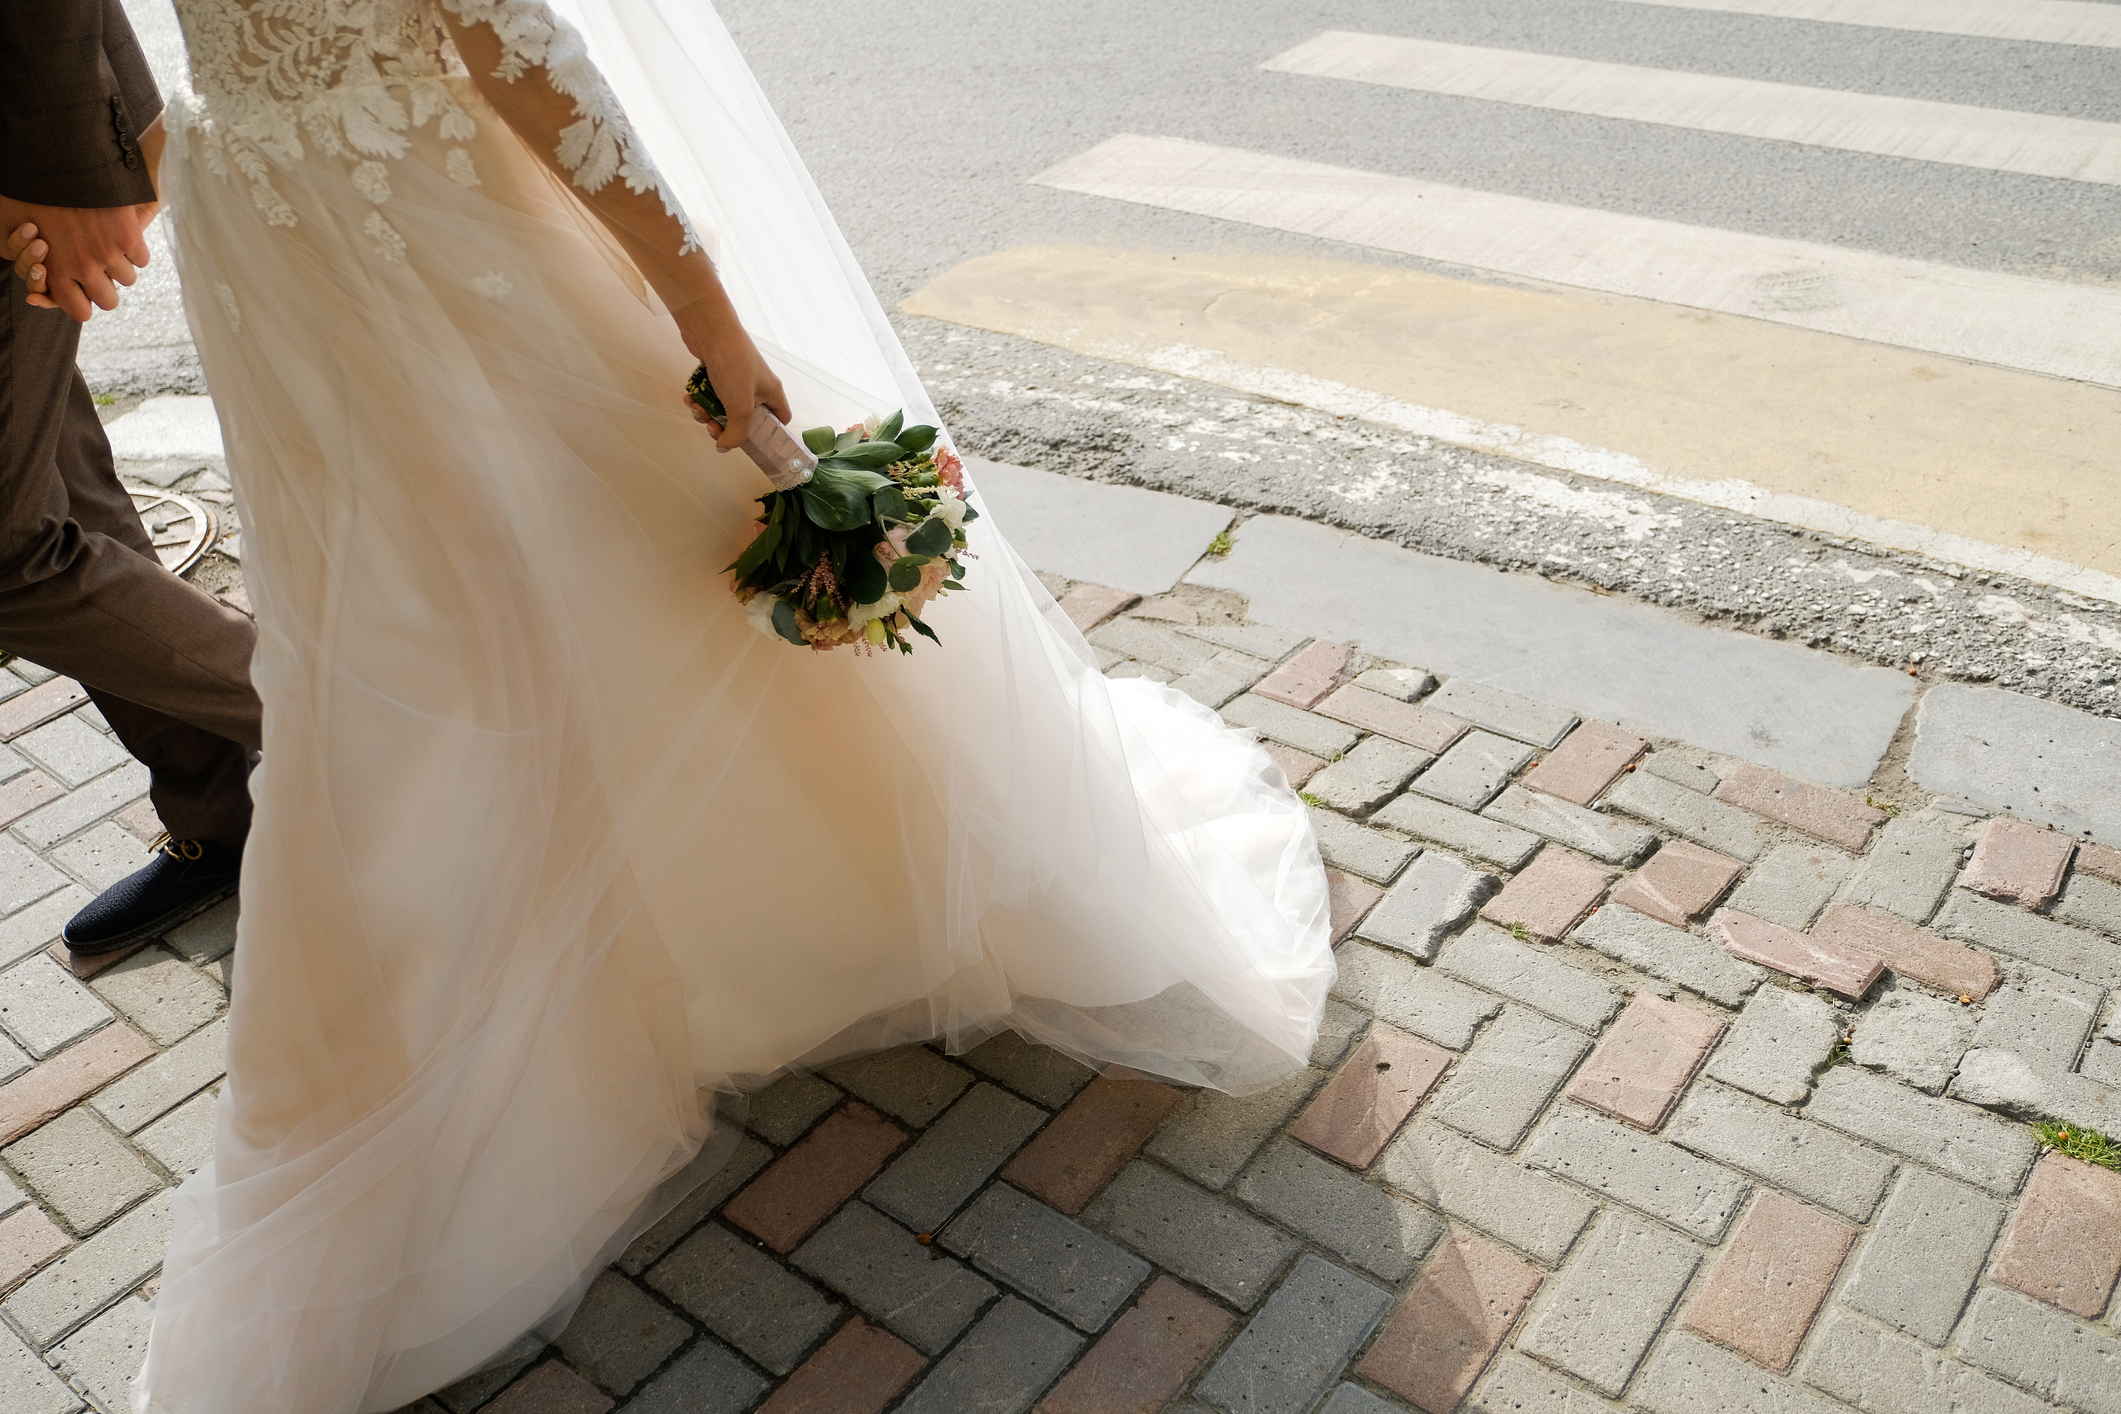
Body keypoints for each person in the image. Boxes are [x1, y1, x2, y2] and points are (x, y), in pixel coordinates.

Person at [16, 4, 1333, 1411]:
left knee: (547, 605)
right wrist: (130, 151)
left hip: (389, 220)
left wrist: (703, 310)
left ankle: (629, 970)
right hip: (307, 233)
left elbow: (509, 35)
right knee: (423, 647)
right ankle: (468, 1032)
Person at [0, 1, 264, 957]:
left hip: (26, 159)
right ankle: (220, 809)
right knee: (57, 496)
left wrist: (59, 177)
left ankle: (375, 722)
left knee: (8, 556)